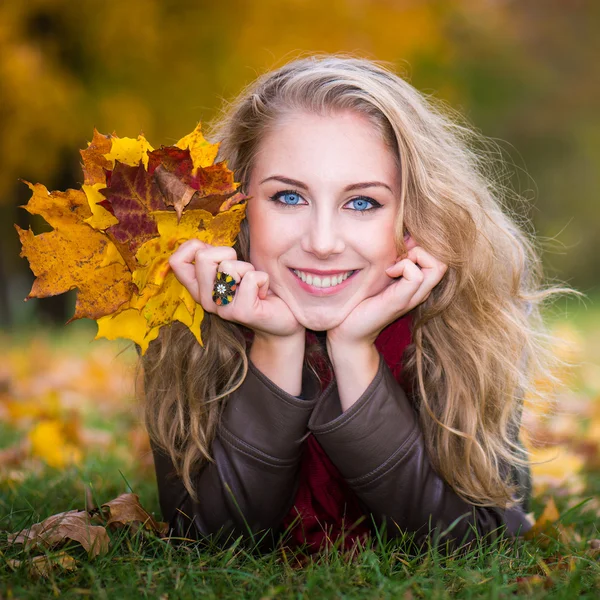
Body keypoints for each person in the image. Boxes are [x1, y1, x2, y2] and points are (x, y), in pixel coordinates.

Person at [142, 55, 555, 553]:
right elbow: (206, 539)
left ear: (414, 213)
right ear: (238, 207)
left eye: (362, 203)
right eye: (289, 198)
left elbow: (479, 539)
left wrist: (356, 354)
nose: (322, 242)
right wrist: (276, 343)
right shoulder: (189, 315)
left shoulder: (466, 318)